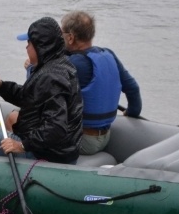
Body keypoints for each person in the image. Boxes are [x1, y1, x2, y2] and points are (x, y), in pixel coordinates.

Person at [0, 17, 83, 164]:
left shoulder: (51, 77)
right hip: (59, 150)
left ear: (40, 46)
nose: (26, 48)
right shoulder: (60, 64)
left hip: (47, 156)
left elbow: (56, 128)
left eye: (29, 43)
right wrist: (0, 85)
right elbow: (28, 97)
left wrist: (21, 145)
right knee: (13, 117)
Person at [60, 10, 142, 155]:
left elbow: (42, 91)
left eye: (62, 33)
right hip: (105, 137)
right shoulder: (108, 54)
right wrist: (132, 113)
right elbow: (133, 89)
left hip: (83, 139)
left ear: (71, 37)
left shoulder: (73, 64)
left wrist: (31, 67)